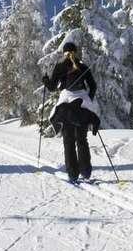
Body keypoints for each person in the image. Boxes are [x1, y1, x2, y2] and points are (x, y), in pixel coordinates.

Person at [42, 41, 101, 183]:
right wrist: (88, 99)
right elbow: (93, 86)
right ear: (76, 52)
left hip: (66, 107)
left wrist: (45, 80)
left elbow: (51, 87)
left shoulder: (60, 66)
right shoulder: (83, 66)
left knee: (68, 141)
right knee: (82, 140)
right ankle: (86, 172)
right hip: (82, 107)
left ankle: (73, 174)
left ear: (64, 53)